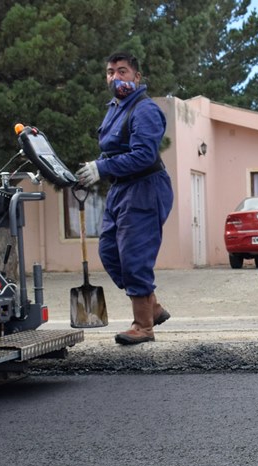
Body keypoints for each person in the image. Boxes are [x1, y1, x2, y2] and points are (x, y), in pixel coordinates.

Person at [76, 52, 174, 345]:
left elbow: (144, 155)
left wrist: (102, 167)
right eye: (110, 72)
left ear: (137, 77)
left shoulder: (144, 110)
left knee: (134, 258)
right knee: (109, 252)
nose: (115, 77)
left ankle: (144, 326)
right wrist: (91, 169)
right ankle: (152, 307)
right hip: (121, 189)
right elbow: (112, 150)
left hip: (145, 187)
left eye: (122, 71)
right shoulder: (115, 108)